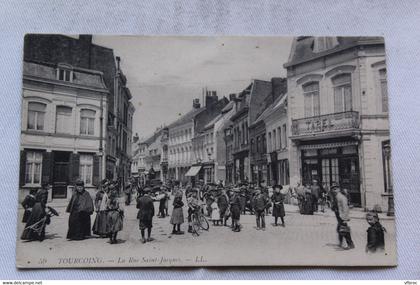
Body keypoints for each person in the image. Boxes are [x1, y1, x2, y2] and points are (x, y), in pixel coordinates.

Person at [331, 182, 355, 250]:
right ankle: (341, 243)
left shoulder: (341, 197)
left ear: (338, 189)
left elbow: (345, 208)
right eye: (333, 189)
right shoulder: (336, 197)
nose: (334, 190)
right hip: (339, 215)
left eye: (335, 189)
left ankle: (350, 244)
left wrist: (345, 218)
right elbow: (336, 206)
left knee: (344, 230)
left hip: (342, 216)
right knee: (339, 229)